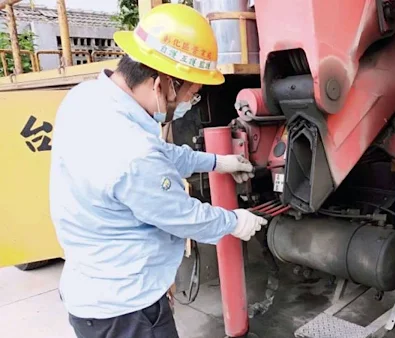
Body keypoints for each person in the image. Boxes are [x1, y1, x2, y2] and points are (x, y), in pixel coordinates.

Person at [48, 4, 267, 338]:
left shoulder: (87, 99)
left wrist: (217, 162)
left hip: (100, 287)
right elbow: (181, 215)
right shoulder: (129, 151)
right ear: (162, 83)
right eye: (188, 95)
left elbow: (159, 153)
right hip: (125, 309)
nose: (185, 105)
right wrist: (235, 221)